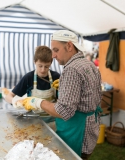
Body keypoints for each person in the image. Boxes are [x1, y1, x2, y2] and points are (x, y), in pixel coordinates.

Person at [17, 30, 102, 160]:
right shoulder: (88, 64)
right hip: (91, 127)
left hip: (77, 131)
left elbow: (64, 112)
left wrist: (37, 102)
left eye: (56, 50)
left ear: (69, 46)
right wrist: (64, 86)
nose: (54, 55)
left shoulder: (71, 69)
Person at [5, 45, 60, 125]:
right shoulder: (29, 78)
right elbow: (8, 97)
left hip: (53, 122)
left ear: (51, 63)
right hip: (34, 122)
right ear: (34, 62)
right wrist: (15, 101)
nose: (42, 70)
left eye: (46, 66)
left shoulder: (56, 77)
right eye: (40, 66)